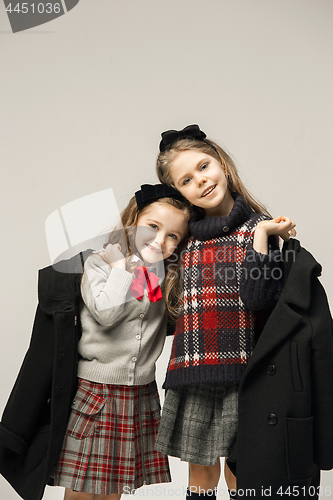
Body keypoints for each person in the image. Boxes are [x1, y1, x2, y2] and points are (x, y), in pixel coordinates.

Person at [154, 125, 296, 500]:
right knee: (200, 478)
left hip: (246, 375)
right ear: (178, 192)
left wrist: (264, 238)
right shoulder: (180, 241)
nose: (200, 181)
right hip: (193, 372)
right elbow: (154, 305)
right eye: (186, 179)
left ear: (223, 165)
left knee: (241, 473)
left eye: (204, 167)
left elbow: (257, 298)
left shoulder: (259, 229)